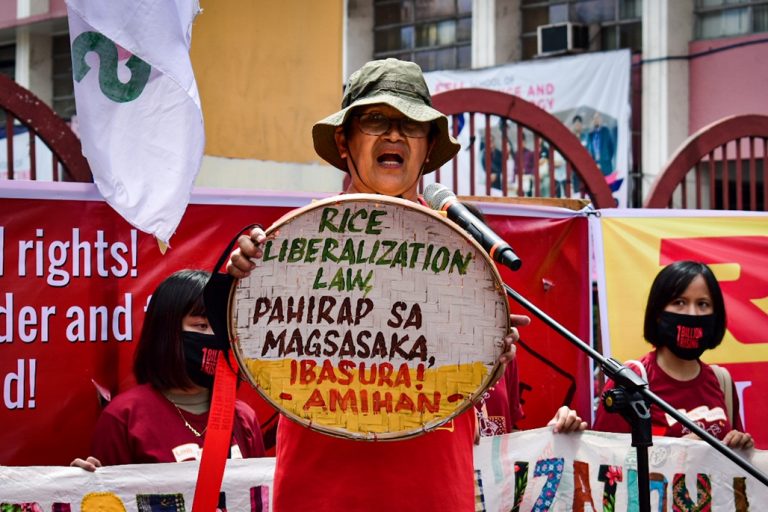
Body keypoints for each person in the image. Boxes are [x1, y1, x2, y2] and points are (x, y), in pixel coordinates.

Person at [227, 58, 585, 511]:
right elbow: (247, 344)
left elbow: (474, 389)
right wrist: (237, 281)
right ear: (344, 140)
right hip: (319, 490)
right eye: (377, 120)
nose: (394, 135)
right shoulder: (294, 243)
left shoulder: (464, 253)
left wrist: (488, 349)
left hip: (434, 489)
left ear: (428, 145)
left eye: (411, 124)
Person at [71, 269, 265, 470]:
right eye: (201, 325)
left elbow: (261, 495)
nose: (214, 337)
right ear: (166, 331)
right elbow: (107, 498)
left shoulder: (243, 418)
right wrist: (85, 484)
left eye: (223, 327)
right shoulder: (124, 418)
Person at [593, 260, 754, 450]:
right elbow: (604, 465)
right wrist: (679, 453)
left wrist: (741, 445)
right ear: (658, 313)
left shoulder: (721, 381)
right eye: (679, 302)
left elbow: (734, 470)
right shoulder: (629, 382)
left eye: (703, 304)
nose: (692, 314)